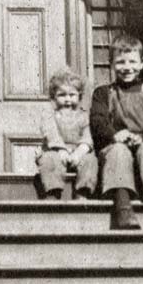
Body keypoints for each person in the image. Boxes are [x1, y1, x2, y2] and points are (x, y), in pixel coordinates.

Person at [90, 34, 143, 229]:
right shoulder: (103, 93)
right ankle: (123, 209)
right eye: (120, 62)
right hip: (115, 148)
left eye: (132, 61)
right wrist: (115, 135)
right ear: (111, 64)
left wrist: (142, 137)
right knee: (119, 151)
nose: (127, 67)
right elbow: (98, 121)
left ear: (142, 63)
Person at [38, 68, 98, 200]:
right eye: (62, 95)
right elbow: (51, 133)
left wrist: (79, 152)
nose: (67, 99)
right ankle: (53, 193)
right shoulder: (49, 115)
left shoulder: (84, 116)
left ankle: (82, 192)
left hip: (78, 154)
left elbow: (87, 136)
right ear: (53, 97)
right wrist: (61, 149)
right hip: (56, 152)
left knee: (90, 160)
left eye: (72, 95)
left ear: (79, 96)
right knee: (49, 160)